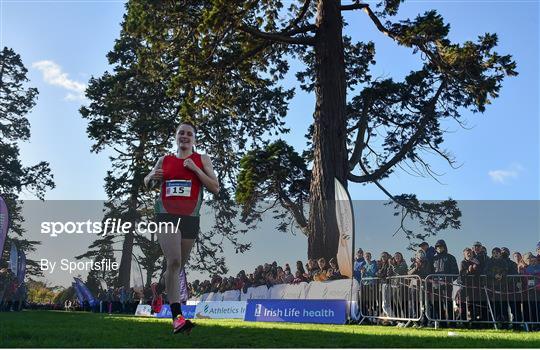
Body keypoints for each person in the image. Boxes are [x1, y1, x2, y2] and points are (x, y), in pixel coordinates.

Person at [145, 121, 219, 334]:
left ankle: (165, 297)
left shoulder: (201, 159)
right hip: (166, 215)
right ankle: (177, 317)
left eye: (189, 133)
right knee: (174, 261)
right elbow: (148, 180)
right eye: (181, 133)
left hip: (190, 218)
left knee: (176, 268)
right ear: (176, 137)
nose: (185, 136)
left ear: (194, 139)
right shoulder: (165, 159)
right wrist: (152, 178)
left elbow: (215, 187)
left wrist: (195, 169)